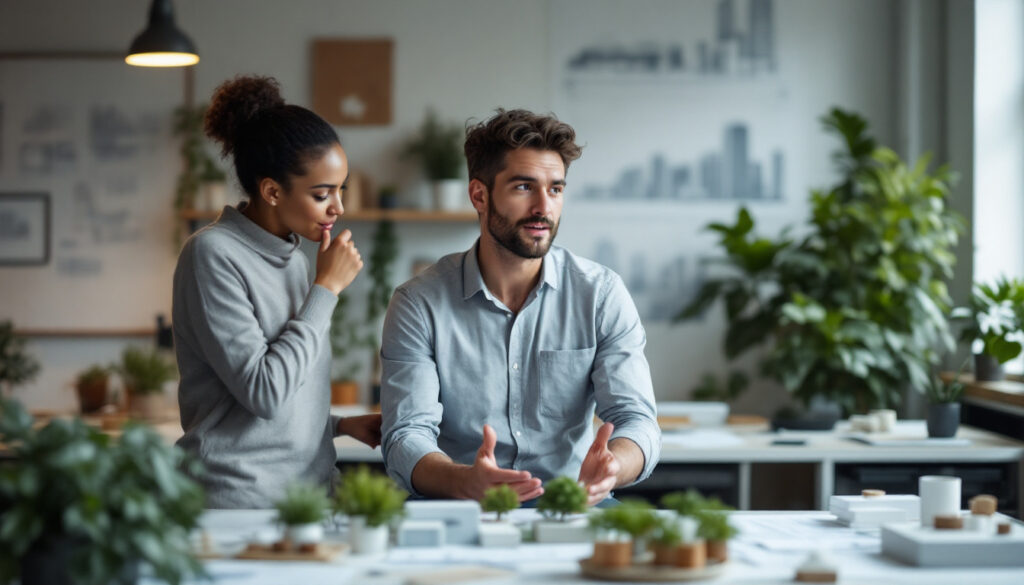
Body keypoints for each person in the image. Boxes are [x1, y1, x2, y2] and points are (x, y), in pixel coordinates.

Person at [380, 109, 660, 505]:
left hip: (573, 502)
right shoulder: (418, 303)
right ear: (479, 195)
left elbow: (638, 421)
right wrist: (463, 480)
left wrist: (614, 467)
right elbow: (405, 435)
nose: (543, 207)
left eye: (556, 189)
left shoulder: (600, 294)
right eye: (524, 187)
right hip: (458, 503)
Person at [172, 75, 381, 508]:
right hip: (239, 502)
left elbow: (284, 392)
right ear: (271, 190)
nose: (338, 207)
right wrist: (326, 288)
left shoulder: (295, 256)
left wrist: (338, 425)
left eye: (340, 190)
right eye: (323, 194)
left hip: (307, 497)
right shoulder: (212, 254)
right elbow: (263, 393)